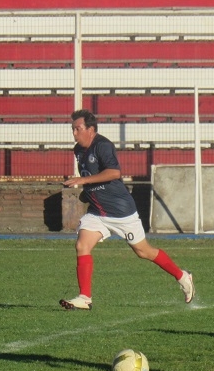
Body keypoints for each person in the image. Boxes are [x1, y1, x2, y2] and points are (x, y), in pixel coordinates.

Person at [59, 109, 194, 310]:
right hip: (98, 212)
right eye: (73, 129)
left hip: (121, 212)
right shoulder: (78, 150)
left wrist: (83, 180)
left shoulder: (103, 146)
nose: (74, 133)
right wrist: (86, 191)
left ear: (91, 130)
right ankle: (85, 298)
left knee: (143, 251)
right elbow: (93, 178)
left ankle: (182, 276)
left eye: (78, 129)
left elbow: (114, 173)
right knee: (82, 246)